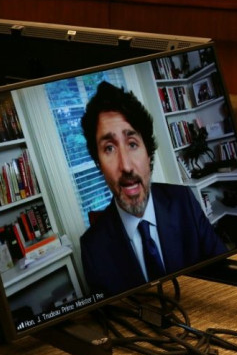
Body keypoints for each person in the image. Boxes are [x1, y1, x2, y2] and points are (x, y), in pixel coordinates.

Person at [79, 81, 227, 297]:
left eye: (132, 143)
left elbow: (224, 272)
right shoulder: (92, 248)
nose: (126, 166)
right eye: (109, 148)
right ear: (99, 164)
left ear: (148, 153)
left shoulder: (184, 201)